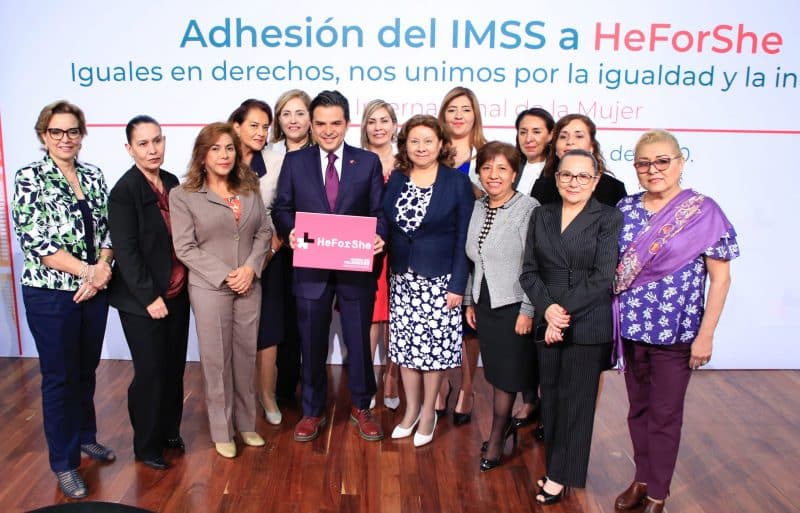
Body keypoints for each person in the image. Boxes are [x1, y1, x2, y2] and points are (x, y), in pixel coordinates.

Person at [612, 130, 738, 513]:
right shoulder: (624, 209)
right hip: (631, 330)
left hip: (677, 334)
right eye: (644, 163)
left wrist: (706, 335)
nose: (653, 170)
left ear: (680, 162)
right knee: (637, 410)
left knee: (665, 415)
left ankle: (657, 493)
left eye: (662, 161)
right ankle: (641, 478)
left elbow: (720, 279)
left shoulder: (704, 212)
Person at [12, 100, 115, 499]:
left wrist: (101, 268)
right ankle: (65, 462)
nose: (65, 138)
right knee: (60, 377)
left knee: (86, 370)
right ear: (44, 135)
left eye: (73, 131)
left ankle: (86, 437)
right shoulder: (29, 177)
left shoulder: (93, 175)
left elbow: (108, 232)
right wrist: (88, 272)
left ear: (82, 134)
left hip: (94, 290)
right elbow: (38, 243)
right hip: (51, 295)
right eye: (56, 131)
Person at [272, 90, 387, 443]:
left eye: (335, 123)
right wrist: (291, 231)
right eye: (320, 123)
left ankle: (362, 406)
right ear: (311, 123)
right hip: (310, 271)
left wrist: (380, 235)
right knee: (311, 344)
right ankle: (312, 411)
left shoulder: (367, 162)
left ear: (347, 123)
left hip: (355, 270)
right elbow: (282, 208)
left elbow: (379, 212)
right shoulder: (296, 162)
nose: (327, 130)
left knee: (359, 343)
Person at [520, 149, 623, 505]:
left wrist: (560, 313)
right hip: (548, 317)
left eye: (582, 176)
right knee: (550, 399)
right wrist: (547, 310)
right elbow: (529, 271)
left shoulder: (608, 217)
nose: (573, 182)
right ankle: (556, 468)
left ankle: (562, 476)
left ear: (596, 181)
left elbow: (602, 276)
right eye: (566, 175)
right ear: (557, 178)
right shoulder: (541, 214)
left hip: (586, 320)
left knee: (577, 403)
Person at [170, 122, 271, 458]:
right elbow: (185, 247)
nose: (224, 155)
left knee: (244, 356)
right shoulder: (183, 195)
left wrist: (250, 268)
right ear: (202, 155)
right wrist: (227, 275)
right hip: (210, 287)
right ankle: (222, 430)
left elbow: (264, 232)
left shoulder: (249, 186)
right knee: (217, 361)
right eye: (215, 149)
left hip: (249, 284)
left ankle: (246, 424)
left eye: (229, 148)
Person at [384, 114, 474, 447]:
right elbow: (385, 220)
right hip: (402, 278)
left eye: (427, 141)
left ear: (440, 144)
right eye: (414, 141)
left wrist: (458, 285)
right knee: (405, 347)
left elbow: (464, 236)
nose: (421, 147)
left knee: (433, 351)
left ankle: (427, 414)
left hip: (440, 281)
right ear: (405, 145)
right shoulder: (397, 178)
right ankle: (410, 411)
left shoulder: (456, 182)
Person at [107, 115, 190, 471]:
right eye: (143, 143)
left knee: (173, 368)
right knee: (151, 372)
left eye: (157, 140)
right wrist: (149, 298)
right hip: (143, 300)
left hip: (177, 291)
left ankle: (169, 431)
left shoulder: (171, 182)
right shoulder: (124, 192)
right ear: (130, 149)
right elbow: (126, 253)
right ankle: (146, 444)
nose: (152, 149)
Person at [463, 141, 539, 471]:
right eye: (486, 168)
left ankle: (496, 439)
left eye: (502, 169)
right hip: (484, 303)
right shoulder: (478, 206)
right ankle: (504, 428)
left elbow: (535, 264)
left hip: (514, 305)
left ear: (514, 173)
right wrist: (470, 300)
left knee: (507, 376)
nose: (493, 175)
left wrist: (528, 310)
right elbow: (474, 259)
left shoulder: (528, 208)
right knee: (495, 373)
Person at [229, 99, 286, 425]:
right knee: (233, 331)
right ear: (236, 125)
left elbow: (283, 210)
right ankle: (239, 398)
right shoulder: (217, 156)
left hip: (269, 257)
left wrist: (270, 252)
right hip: (227, 261)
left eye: (265, 127)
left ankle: (267, 395)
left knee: (268, 329)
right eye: (254, 125)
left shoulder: (277, 162)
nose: (261, 132)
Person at [436, 86, 487, 426]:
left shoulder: (485, 154)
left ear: (475, 115)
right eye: (452, 109)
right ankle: (441, 384)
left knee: (470, 324)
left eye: (465, 109)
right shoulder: (432, 152)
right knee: (440, 319)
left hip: (475, 247)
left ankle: (467, 389)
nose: (458, 115)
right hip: (439, 247)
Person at [510, 107, 554, 430]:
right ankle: (529, 400)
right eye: (523, 131)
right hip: (511, 264)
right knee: (521, 341)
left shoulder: (557, 173)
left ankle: (548, 407)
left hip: (544, 265)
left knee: (542, 338)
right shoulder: (513, 166)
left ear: (550, 135)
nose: (529, 138)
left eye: (536, 131)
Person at [269, 90, 311, 404]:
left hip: (316, 250)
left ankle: (310, 389)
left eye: (299, 113)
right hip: (276, 250)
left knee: (308, 322)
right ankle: (283, 389)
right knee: (281, 321)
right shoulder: (267, 155)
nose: (293, 120)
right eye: (286, 113)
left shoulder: (326, 153)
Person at [360, 99, 400, 410]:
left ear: (394, 126)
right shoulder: (355, 160)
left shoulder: (406, 162)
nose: (378, 127)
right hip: (365, 248)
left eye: (384, 120)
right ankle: (367, 379)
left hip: (400, 248)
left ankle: (391, 378)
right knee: (372, 315)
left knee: (396, 316)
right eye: (372, 121)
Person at [533, 113, 627, 207]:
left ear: (592, 146)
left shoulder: (614, 188)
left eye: (579, 136)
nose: (570, 142)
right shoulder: (541, 187)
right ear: (555, 147)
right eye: (563, 137)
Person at [270, 89, 313, 154]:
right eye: (286, 114)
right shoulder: (267, 152)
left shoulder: (324, 152)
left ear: (311, 117)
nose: (293, 121)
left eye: (300, 114)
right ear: (279, 118)